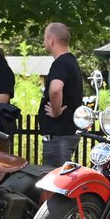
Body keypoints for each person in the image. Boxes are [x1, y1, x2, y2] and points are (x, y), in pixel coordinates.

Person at [38, 22, 83, 168]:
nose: (44, 42)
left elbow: (56, 89)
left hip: (59, 135)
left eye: (45, 38)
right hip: (66, 132)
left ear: (51, 40)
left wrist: (56, 111)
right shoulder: (71, 61)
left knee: (55, 177)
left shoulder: (60, 63)